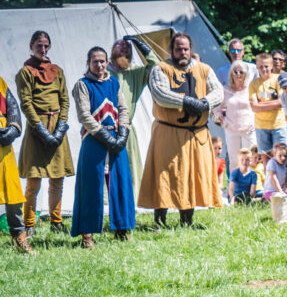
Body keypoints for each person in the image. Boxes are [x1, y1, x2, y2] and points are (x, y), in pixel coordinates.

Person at [138, 32, 224, 227]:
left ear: (190, 49)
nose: (182, 52)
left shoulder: (203, 69)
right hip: (168, 132)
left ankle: (187, 221)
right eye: (178, 49)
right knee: (164, 176)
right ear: (171, 50)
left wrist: (205, 103)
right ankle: (160, 221)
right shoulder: (161, 69)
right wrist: (185, 101)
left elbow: (218, 91)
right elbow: (160, 94)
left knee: (191, 176)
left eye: (186, 49)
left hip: (196, 133)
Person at [70, 46, 134, 248]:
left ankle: (122, 228)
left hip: (116, 138)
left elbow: (123, 108)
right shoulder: (83, 84)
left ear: (107, 62)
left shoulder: (113, 83)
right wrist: (105, 137)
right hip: (94, 139)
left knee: (121, 184)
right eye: (95, 61)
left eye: (102, 61)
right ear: (88, 63)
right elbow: (84, 115)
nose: (99, 65)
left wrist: (122, 132)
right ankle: (87, 234)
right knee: (90, 188)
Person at [16, 30, 74, 236]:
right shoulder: (25, 72)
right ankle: (29, 223)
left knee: (57, 178)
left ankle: (56, 221)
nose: (43, 49)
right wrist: (41, 130)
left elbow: (65, 100)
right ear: (31, 46)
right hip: (37, 129)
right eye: (39, 45)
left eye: (46, 45)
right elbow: (26, 104)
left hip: (57, 126)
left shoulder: (57, 71)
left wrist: (60, 129)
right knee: (34, 180)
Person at [108, 35, 161, 201]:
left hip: (127, 130)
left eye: (127, 47)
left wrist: (141, 45)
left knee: (129, 171)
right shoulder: (103, 71)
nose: (124, 47)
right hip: (104, 129)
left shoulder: (135, 74)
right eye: (119, 45)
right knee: (105, 171)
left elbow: (156, 66)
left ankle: (129, 205)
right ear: (112, 51)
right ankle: (106, 206)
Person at [0, 74, 32, 253]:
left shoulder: (0, 83)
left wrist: (12, 128)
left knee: (13, 195)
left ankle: (20, 237)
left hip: (3, 149)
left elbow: (12, 108)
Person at [213, 60, 258, 172]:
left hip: (249, 129)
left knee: (251, 158)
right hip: (231, 129)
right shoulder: (226, 89)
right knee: (234, 160)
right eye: (235, 72)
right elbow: (216, 107)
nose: (238, 74)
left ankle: (252, 186)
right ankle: (234, 187)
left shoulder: (251, 88)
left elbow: (257, 105)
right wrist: (222, 119)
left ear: (246, 74)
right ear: (231, 74)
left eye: (241, 72)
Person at [249, 53, 287, 165]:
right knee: (267, 160)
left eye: (266, 66)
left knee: (282, 158)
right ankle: (270, 183)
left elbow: (281, 103)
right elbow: (254, 107)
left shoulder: (278, 80)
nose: (264, 69)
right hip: (261, 127)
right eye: (261, 67)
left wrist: (261, 104)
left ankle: (284, 183)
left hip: (278, 125)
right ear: (257, 67)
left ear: (271, 66)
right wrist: (272, 104)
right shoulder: (253, 84)